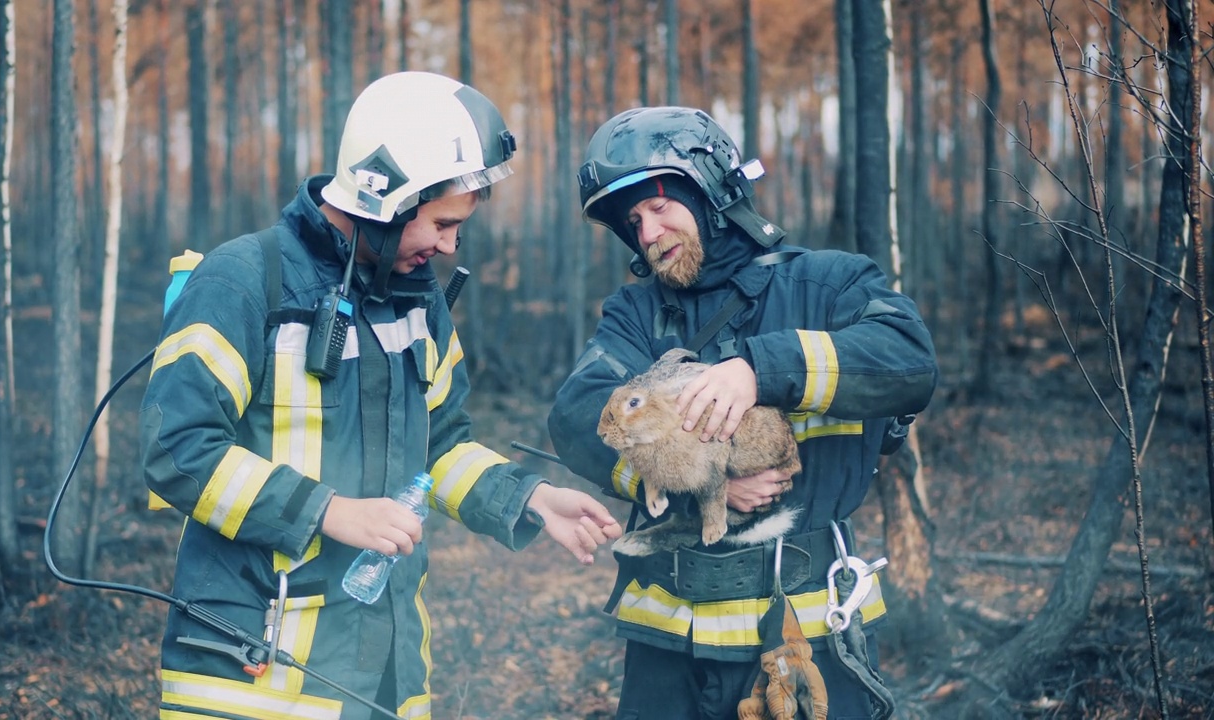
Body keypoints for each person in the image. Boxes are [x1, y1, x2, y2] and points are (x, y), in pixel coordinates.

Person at [140, 71, 623, 720]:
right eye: (443, 223)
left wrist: (528, 496)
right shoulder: (243, 280)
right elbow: (177, 450)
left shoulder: (421, 304)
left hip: (381, 680)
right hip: (248, 680)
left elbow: (442, 447)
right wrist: (328, 509)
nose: (451, 244)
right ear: (388, 196)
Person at [547, 106, 939, 719]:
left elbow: (910, 361)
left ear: (712, 190)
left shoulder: (828, 284)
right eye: (633, 221)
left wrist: (761, 369)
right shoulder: (634, 315)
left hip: (808, 635)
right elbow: (576, 414)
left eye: (659, 207)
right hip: (667, 649)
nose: (647, 234)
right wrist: (700, 479)